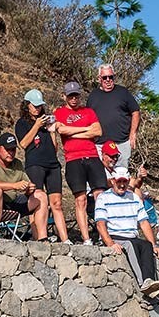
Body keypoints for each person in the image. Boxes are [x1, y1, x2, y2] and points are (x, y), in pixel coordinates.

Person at [95, 166, 159, 298]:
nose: (122, 185)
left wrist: (154, 245)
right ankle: (143, 282)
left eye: (124, 182)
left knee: (146, 245)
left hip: (132, 235)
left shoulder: (134, 197)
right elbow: (100, 223)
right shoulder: (104, 198)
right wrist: (110, 243)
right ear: (113, 181)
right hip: (115, 235)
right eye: (119, 181)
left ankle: (150, 280)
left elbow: (144, 222)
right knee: (130, 245)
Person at [54, 81, 104, 244]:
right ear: (65, 96)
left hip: (92, 156)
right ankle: (86, 238)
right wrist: (85, 130)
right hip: (73, 159)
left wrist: (73, 131)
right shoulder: (60, 112)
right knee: (80, 199)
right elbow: (61, 130)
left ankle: (105, 234)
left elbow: (97, 131)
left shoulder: (88, 111)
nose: (73, 99)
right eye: (70, 96)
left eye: (76, 95)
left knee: (100, 197)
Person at [16, 89, 68, 243]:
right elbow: (23, 144)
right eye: (34, 105)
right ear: (27, 105)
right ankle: (37, 236)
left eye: (40, 106)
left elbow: (54, 148)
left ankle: (65, 239)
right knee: (38, 199)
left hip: (52, 164)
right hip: (35, 164)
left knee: (57, 202)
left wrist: (52, 131)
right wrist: (37, 126)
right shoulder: (22, 123)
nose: (37, 108)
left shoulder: (45, 121)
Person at [0, 132, 45, 239]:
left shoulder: (17, 163)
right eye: (7, 149)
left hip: (10, 202)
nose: (11, 153)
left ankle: (42, 237)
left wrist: (29, 189)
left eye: (13, 149)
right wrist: (14, 185)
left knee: (41, 195)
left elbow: (27, 183)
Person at [87, 63, 140, 169]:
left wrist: (133, 134)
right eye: (104, 77)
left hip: (121, 143)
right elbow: (88, 118)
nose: (108, 80)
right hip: (99, 144)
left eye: (110, 77)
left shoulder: (123, 92)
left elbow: (136, 112)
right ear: (99, 78)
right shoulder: (93, 95)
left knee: (121, 176)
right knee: (100, 177)